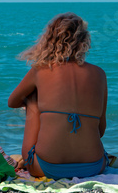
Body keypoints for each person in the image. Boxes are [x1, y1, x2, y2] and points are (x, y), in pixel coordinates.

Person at [8, 12, 108, 180]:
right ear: (84, 41)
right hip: (94, 166)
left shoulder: (41, 70)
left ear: (50, 40)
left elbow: (12, 102)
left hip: (45, 167)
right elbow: (101, 130)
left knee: (32, 97)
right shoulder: (99, 74)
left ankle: (34, 156)